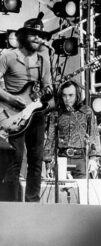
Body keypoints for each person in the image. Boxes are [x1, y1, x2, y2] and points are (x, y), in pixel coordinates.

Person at [0, 14, 53, 202]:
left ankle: (32, 202)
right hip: (12, 114)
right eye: (34, 35)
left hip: (36, 114)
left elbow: (48, 87)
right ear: (23, 36)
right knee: (15, 158)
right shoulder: (7, 56)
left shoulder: (43, 60)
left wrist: (49, 92)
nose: (39, 39)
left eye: (41, 36)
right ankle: (11, 202)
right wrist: (11, 98)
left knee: (36, 159)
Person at [43, 80, 101, 179]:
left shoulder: (87, 112)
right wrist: (48, 162)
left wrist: (93, 159)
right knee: (62, 192)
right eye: (64, 95)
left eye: (71, 95)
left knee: (82, 192)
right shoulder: (56, 113)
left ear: (77, 95)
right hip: (62, 159)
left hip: (81, 160)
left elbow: (93, 134)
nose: (67, 99)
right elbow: (50, 137)